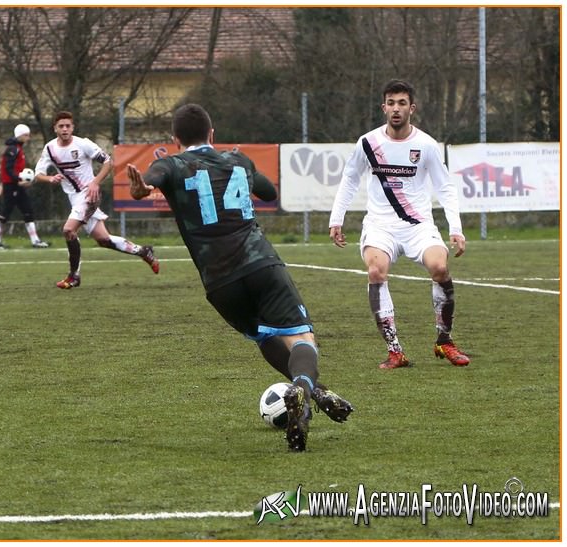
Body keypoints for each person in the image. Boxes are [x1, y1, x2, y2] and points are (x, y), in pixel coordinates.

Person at [127, 103, 353, 452]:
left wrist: (143, 189)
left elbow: (149, 182)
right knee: (301, 337)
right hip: (261, 264)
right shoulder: (238, 159)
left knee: (264, 336)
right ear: (212, 134)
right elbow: (269, 193)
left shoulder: (169, 164)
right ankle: (305, 390)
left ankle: (317, 393)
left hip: (220, 285)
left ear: (175, 140)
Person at [329, 79, 469, 370]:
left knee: (440, 268)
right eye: (391, 103)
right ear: (383, 108)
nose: (396, 109)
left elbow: (445, 187)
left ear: (411, 108)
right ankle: (395, 351)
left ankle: (444, 340)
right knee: (376, 270)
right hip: (380, 227)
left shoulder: (426, 145)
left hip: (418, 226)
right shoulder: (368, 142)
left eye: (402, 103)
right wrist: (336, 218)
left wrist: (455, 228)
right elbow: (350, 178)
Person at [34, 110, 159, 289]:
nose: (65, 129)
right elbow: (38, 174)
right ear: (55, 128)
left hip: (89, 195)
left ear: (73, 127)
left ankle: (73, 276)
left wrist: (95, 183)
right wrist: (50, 178)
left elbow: (108, 162)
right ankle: (143, 251)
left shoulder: (83, 144)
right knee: (103, 239)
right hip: (75, 199)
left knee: (69, 230)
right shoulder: (50, 149)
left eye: (68, 126)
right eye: (61, 126)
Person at [0, 123, 49, 249]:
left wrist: (19, 180)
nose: (28, 138)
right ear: (20, 135)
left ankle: (35, 240)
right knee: (6, 212)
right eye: (26, 135)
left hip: (16, 185)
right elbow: (8, 169)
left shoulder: (18, 148)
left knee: (28, 210)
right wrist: (18, 179)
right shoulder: (13, 149)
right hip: (11, 186)